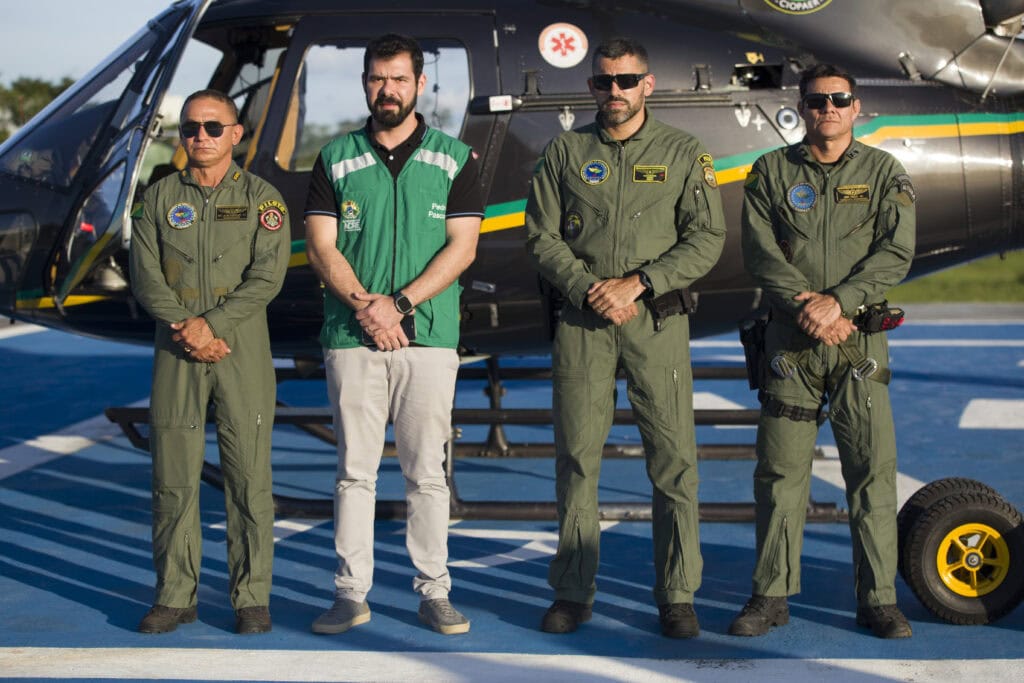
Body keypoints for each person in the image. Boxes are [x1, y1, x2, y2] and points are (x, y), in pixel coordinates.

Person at [524, 37, 726, 638]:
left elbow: (706, 238)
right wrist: (591, 288)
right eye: (603, 82)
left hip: (655, 322)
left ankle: (677, 593)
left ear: (648, 84)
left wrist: (637, 283)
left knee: (673, 464)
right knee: (578, 460)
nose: (614, 91)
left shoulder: (684, 152)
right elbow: (541, 237)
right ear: (591, 87)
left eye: (625, 80)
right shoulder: (564, 152)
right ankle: (573, 590)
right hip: (583, 323)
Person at [729, 64, 916, 639]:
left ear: (856, 107)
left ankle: (878, 600)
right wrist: (810, 308)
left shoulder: (885, 172)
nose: (828, 109)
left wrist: (840, 303)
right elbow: (761, 254)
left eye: (839, 99)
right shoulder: (770, 171)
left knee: (870, 473)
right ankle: (770, 595)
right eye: (817, 100)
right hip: (791, 346)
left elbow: (896, 253)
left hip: (859, 342)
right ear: (802, 108)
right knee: (780, 474)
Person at [304, 33, 482, 636]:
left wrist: (400, 305)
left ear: (420, 85)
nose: (389, 89)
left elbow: (464, 247)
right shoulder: (334, 158)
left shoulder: (454, 158)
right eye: (379, 78)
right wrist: (366, 308)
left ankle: (434, 592)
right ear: (365, 84)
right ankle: (351, 593)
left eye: (400, 79)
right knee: (355, 471)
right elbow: (320, 245)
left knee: (426, 473)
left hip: (428, 336)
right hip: (352, 335)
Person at [129, 89, 292, 634]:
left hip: (240, 348)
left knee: (249, 478)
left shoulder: (264, 200)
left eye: (213, 127)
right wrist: (189, 328)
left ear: (236, 134)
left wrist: (213, 327)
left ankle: (251, 599)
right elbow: (147, 276)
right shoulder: (157, 199)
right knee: (173, 477)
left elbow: (267, 277)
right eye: (192, 127)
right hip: (177, 350)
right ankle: (175, 595)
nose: (201, 136)